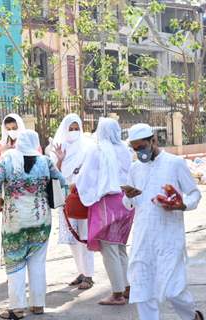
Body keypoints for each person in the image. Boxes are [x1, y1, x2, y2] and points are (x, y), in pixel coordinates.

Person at [122, 123, 204, 320]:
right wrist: (129, 195)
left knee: (172, 288)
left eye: (142, 147)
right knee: (142, 289)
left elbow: (194, 194)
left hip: (169, 236)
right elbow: (128, 204)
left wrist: (181, 205)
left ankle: (192, 316)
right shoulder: (135, 168)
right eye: (135, 149)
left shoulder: (175, 163)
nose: (139, 152)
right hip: (143, 237)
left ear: (154, 140)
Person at [0, 130, 66, 319]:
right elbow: (62, 181)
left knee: (16, 262)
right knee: (37, 262)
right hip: (41, 220)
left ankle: (17, 308)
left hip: (15, 222)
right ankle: (38, 304)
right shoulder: (45, 161)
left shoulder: (8, 158)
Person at [76, 118, 134, 305]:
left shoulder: (97, 149)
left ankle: (117, 294)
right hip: (126, 203)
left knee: (109, 249)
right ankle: (127, 288)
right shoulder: (125, 149)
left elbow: (86, 177)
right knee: (119, 248)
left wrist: (80, 189)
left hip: (107, 205)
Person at [52, 113, 95, 290]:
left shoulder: (88, 147)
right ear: (64, 129)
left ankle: (89, 275)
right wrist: (60, 159)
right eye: (71, 128)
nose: (74, 132)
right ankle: (81, 271)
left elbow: (93, 170)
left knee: (84, 237)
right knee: (72, 238)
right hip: (66, 197)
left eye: (77, 128)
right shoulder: (58, 148)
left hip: (84, 196)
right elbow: (56, 174)